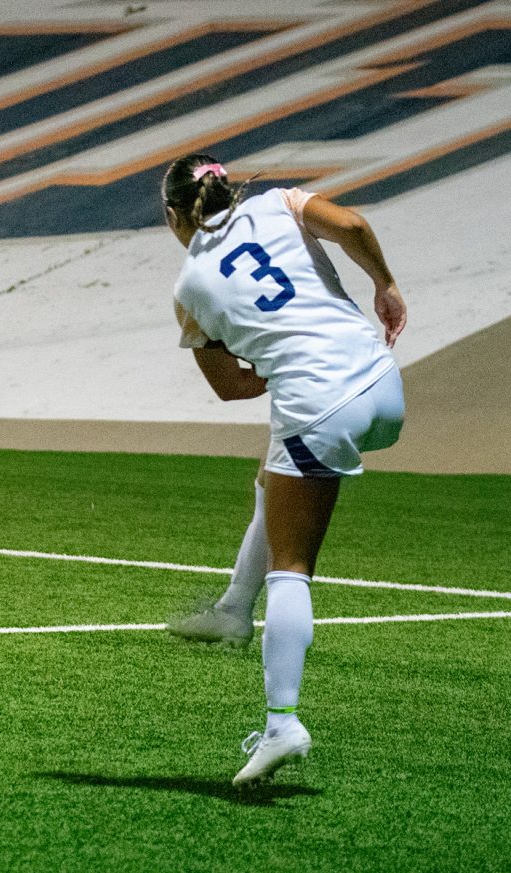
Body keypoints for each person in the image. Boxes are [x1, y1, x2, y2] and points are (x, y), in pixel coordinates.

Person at [159, 154, 406, 785]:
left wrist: (282, 356)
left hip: (322, 403)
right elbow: (351, 225)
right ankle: (232, 608)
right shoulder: (277, 204)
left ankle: (281, 723)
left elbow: (230, 388)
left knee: (291, 568)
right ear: (225, 187)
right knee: (274, 474)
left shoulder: (190, 288)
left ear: (173, 218)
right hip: (381, 382)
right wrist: (385, 284)